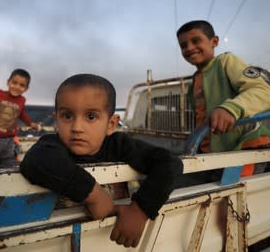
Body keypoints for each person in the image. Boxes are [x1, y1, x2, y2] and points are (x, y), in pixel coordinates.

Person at [20, 73, 183, 248]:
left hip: (110, 237)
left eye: (91, 116)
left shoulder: (119, 145)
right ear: (57, 119)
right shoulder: (51, 145)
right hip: (55, 241)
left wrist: (140, 210)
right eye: (67, 116)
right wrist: (94, 195)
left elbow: (170, 163)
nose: (77, 128)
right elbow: (34, 161)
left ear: (111, 124)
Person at [176, 20, 270, 184]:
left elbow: (263, 92)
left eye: (196, 41)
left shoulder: (226, 62)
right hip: (212, 155)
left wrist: (230, 108)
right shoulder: (194, 82)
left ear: (214, 41)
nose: (189, 48)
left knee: (229, 193)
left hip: (244, 149)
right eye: (183, 45)